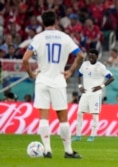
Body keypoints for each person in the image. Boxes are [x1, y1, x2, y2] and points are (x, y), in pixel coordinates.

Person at [22, 10, 85, 159]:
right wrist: (70, 71)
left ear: (42, 23)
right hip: (58, 80)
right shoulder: (64, 37)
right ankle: (68, 151)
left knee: (44, 117)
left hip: (42, 79)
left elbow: (25, 59)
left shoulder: (38, 38)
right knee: (63, 118)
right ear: (56, 21)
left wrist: (31, 74)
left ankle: (47, 150)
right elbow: (81, 54)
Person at [72, 49, 114, 142]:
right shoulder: (85, 65)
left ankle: (92, 135)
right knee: (79, 113)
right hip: (85, 93)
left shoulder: (101, 67)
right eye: (89, 56)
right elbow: (79, 75)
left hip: (96, 94)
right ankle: (78, 135)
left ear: (97, 56)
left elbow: (111, 78)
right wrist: (80, 86)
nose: (90, 57)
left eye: (93, 56)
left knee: (94, 115)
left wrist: (101, 86)